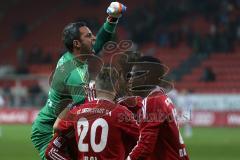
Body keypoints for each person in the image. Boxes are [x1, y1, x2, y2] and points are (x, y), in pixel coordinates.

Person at [31, 2, 126, 159]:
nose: (93, 37)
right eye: (88, 36)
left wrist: (112, 18)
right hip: (49, 131)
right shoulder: (74, 74)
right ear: (77, 44)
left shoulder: (77, 56)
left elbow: (101, 40)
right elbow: (87, 109)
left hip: (61, 123)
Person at [45, 67, 139, 160]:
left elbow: (57, 127)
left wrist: (72, 104)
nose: (130, 82)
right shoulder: (122, 112)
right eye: (127, 78)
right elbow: (144, 142)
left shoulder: (78, 111)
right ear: (117, 86)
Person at [127, 56, 189, 160]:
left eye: (133, 75)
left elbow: (145, 146)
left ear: (145, 77)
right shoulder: (159, 96)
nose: (129, 79)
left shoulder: (153, 101)